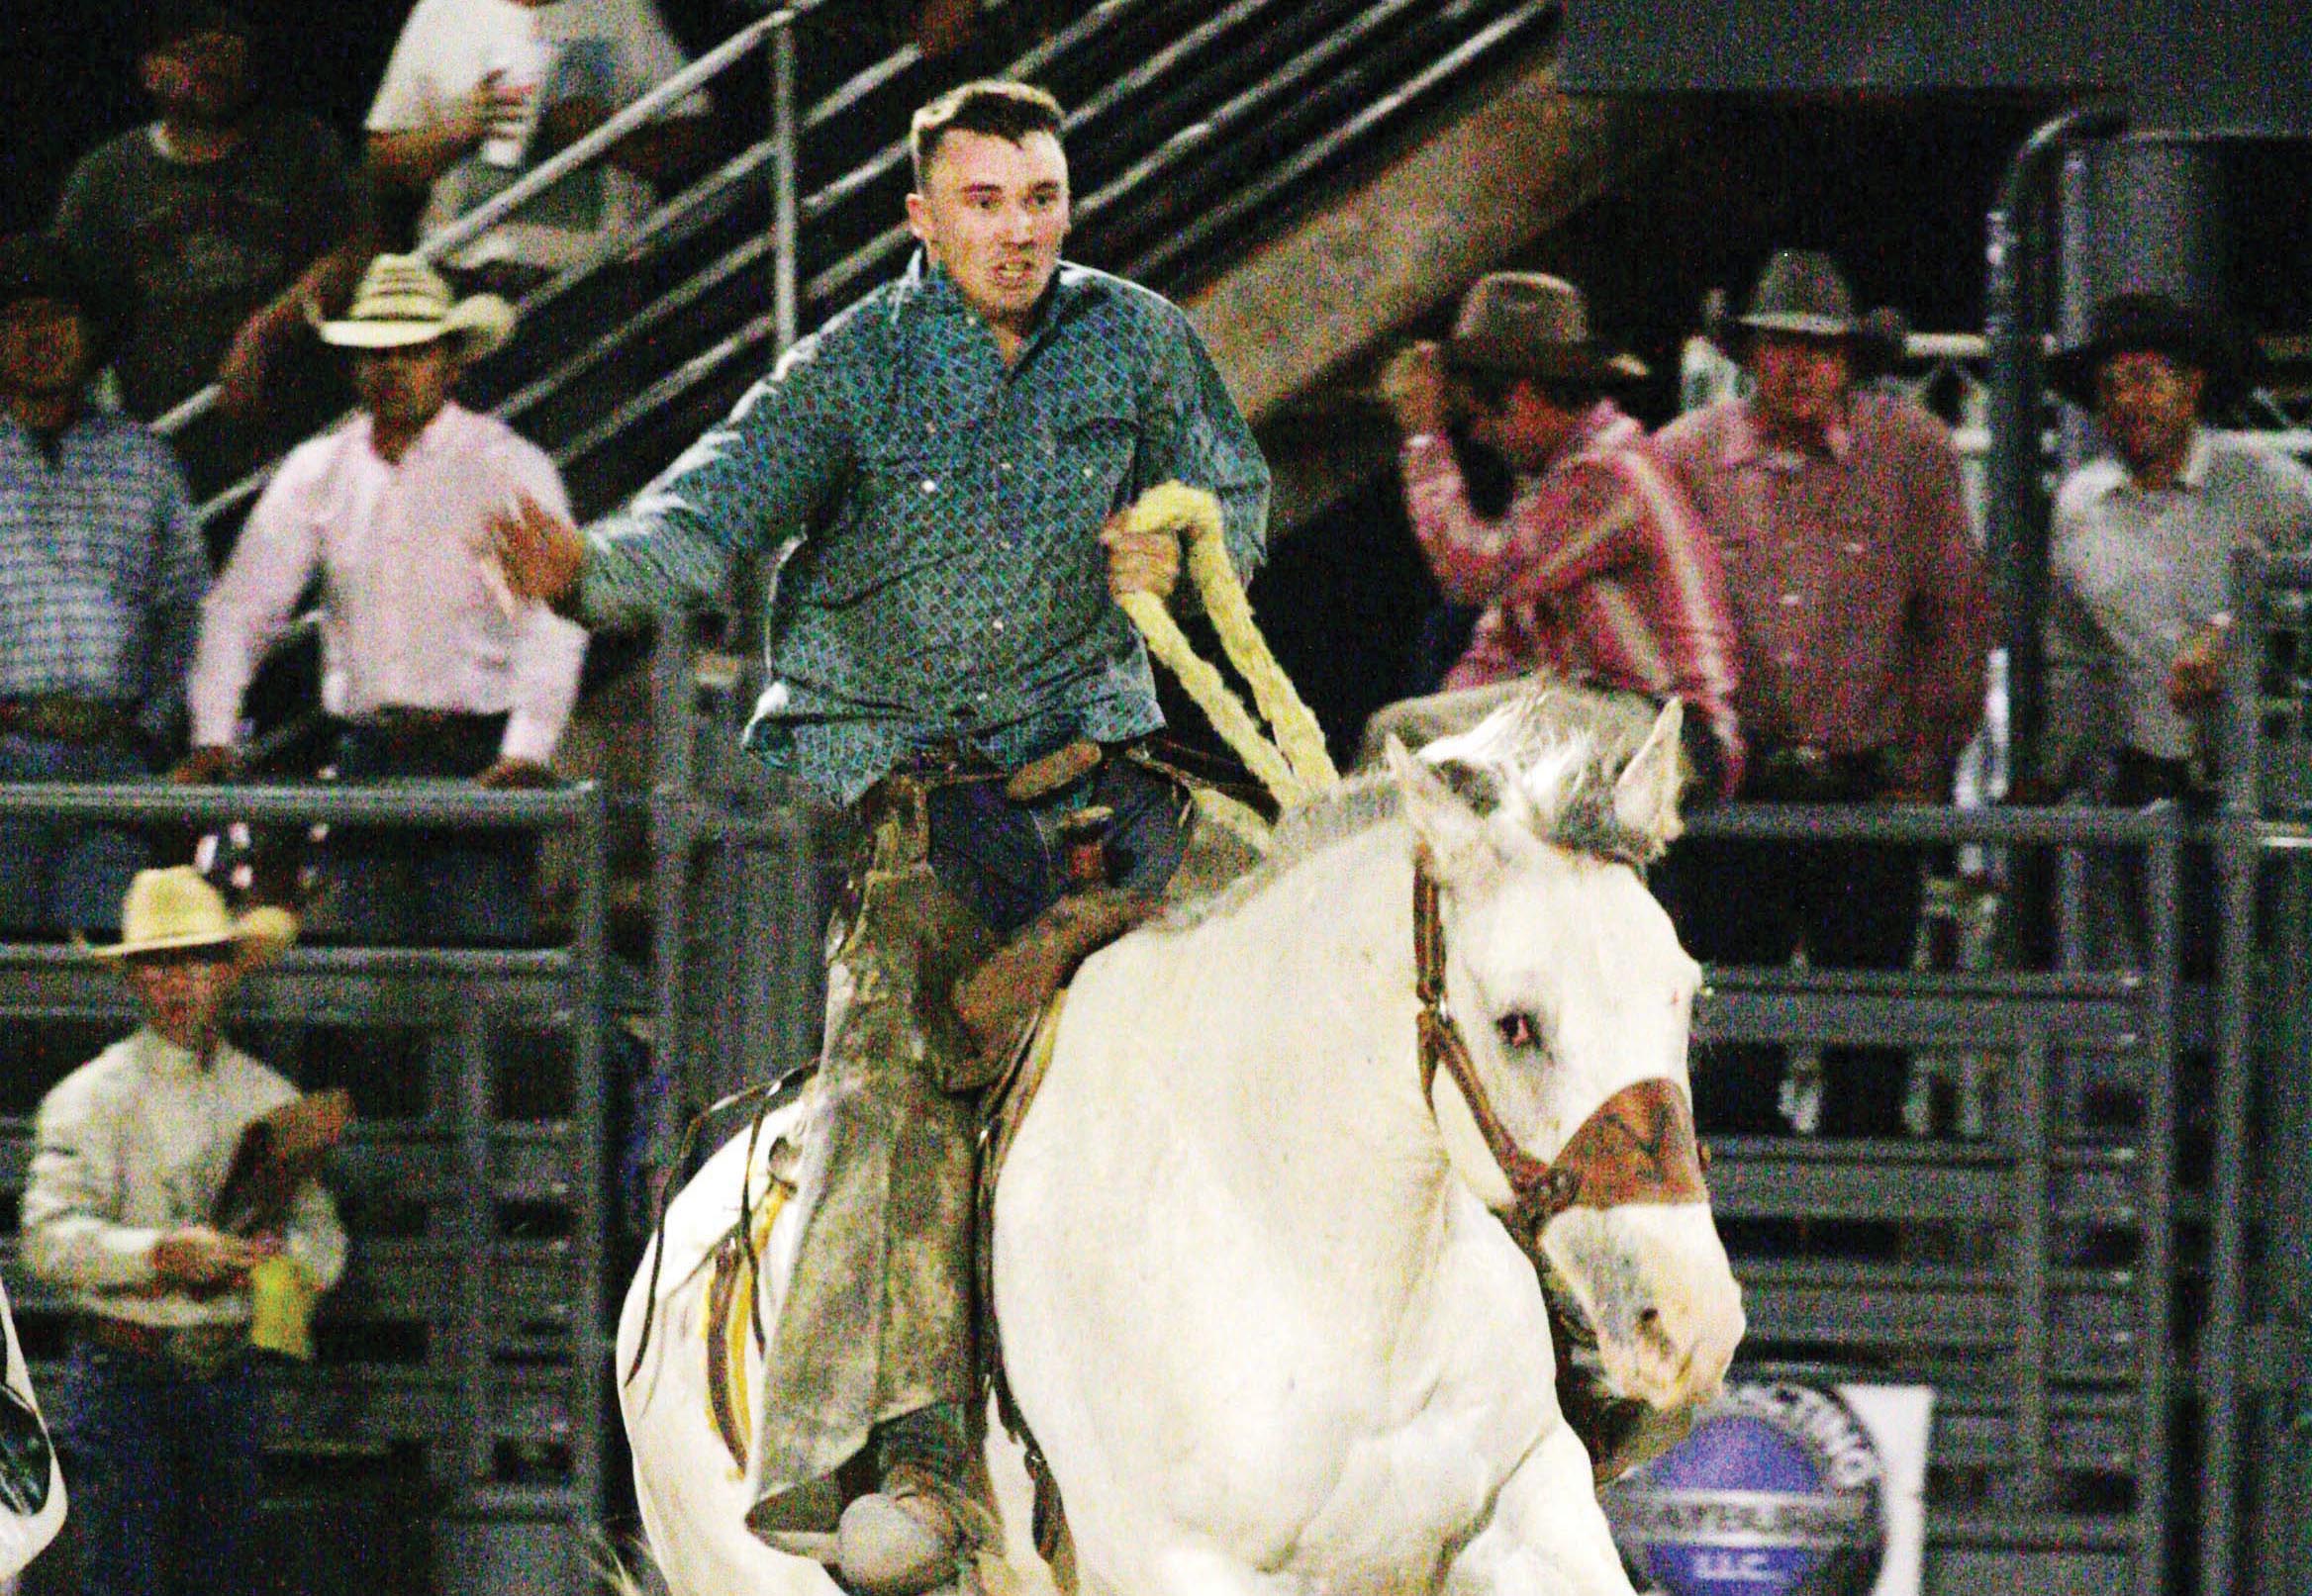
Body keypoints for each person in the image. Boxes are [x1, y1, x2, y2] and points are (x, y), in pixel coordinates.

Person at [491, 78, 1270, 1592]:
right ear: (922, 214)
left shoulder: (1139, 339)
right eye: (985, 202)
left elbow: (1236, 494)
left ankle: (1491, 1323)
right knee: (899, 1077)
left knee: (1337, 938)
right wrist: (588, 572)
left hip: (1117, 774)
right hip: (941, 814)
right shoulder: (847, 372)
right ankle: (913, 1457)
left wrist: (1187, 541)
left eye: (1041, 199)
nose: (1021, 230)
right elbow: (705, 520)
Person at [1655, 249, 1992, 1138]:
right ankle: (1743, 1257)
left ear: (1849, 359)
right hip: (1735, 791)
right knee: (1730, 1040)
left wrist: (1923, 763)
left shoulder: (1911, 453)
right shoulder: (1685, 457)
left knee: (1868, 1041)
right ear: (1748, 353)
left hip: (1866, 790)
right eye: (1778, 345)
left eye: (1818, 347)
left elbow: (1957, 615)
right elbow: (1653, 616)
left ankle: (1863, 1251)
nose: (1799, 366)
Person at [177, 254, 587, 946]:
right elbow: (240, 608)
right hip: (373, 753)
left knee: (478, 970)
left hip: (476, 757)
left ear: (449, 362)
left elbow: (550, 616)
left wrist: (527, 748)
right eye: (375, 352)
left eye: (411, 350)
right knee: (379, 975)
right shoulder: (322, 468)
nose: (391, 367)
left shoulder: (504, 466)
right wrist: (213, 731)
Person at [22, 867, 346, 1596]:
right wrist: (161, 1253)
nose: (178, 983)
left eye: (196, 961)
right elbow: (46, 1238)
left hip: (223, 1369)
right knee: (127, 1576)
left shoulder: (264, 1094)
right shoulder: (91, 1098)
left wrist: (273, 1263)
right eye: (159, 964)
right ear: (135, 979)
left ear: (226, 972)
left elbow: (321, 1237)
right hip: (125, 1370)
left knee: (221, 1576)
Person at [1377, 271, 1743, 798]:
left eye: (1480, 415)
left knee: (1404, 734)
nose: (1477, 434)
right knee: (1421, 743)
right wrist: (1445, 716)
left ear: (1523, 394)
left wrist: (1422, 437)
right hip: (1596, 713)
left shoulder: (1608, 474)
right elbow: (1497, 650)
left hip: (1669, 727)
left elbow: (1471, 575)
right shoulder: (1552, 487)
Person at [2041, 291, 2312, 968]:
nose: (2127, 401)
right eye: (2110, 386)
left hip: (2266, 781)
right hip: (2149, 781)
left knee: (2275, 984)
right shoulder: (2079, 507)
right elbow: (2075, 654)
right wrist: (2052, 770)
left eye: (2144, 379)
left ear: (2191, 387)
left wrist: (2235, 631)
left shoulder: (2265, 483)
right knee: (2175, 981)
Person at [51, 0, 369, 505]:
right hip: (175, 447)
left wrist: (264, 331)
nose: (211, 66)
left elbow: (357, 251)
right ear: (151, 71)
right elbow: (68, 305)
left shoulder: (303, 147)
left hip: (306, 430)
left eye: (225, 47)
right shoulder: (105, 180)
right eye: (190, 52)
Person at [0, 235, 208, 940]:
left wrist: (154, 727)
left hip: (113, 757)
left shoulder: (144, 461)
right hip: (6, 751)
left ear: (88, 336)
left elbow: (185, 608)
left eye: (57, 319)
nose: (39, 337)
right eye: (19, 319)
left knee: (108, 957)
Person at [364, 0, 711, 298]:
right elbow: (381, 164)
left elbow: (694, 139)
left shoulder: (620, 10)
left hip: (595, 285)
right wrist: (457, 132)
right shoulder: (442, 11)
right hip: (463, 283)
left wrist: (608, 139)